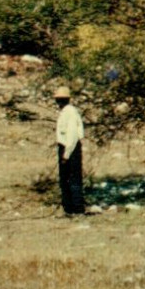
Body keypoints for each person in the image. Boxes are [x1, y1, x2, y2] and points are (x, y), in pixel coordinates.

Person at [54, 85, 85, 215]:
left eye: (61, 99)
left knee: (73, 179)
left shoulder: (70, 113)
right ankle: (68, 208)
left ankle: (77, 209)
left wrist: (66, 154)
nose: (59, 102)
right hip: (65, 147)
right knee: (64, 179)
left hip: (70, 148)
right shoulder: (64, 112)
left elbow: (72, 136)